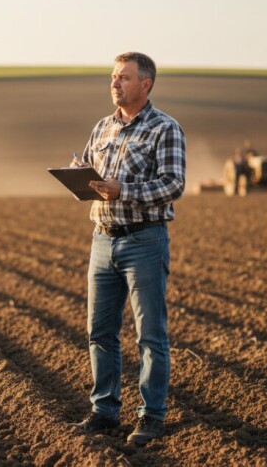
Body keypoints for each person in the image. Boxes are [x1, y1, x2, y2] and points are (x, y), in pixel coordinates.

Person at [70, 52, 186, 446]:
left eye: (123, 78)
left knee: (150, 335)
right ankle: (104, 411)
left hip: (144, 240)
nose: (115, 84)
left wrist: (126, 191)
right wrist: (77, 175)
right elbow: (87, 166)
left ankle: (151, 416)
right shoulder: (102, 127)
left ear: (145, 84)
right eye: (113, 77)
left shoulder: (164, 128)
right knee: (100, 331)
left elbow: (173, 185)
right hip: (102, 239)